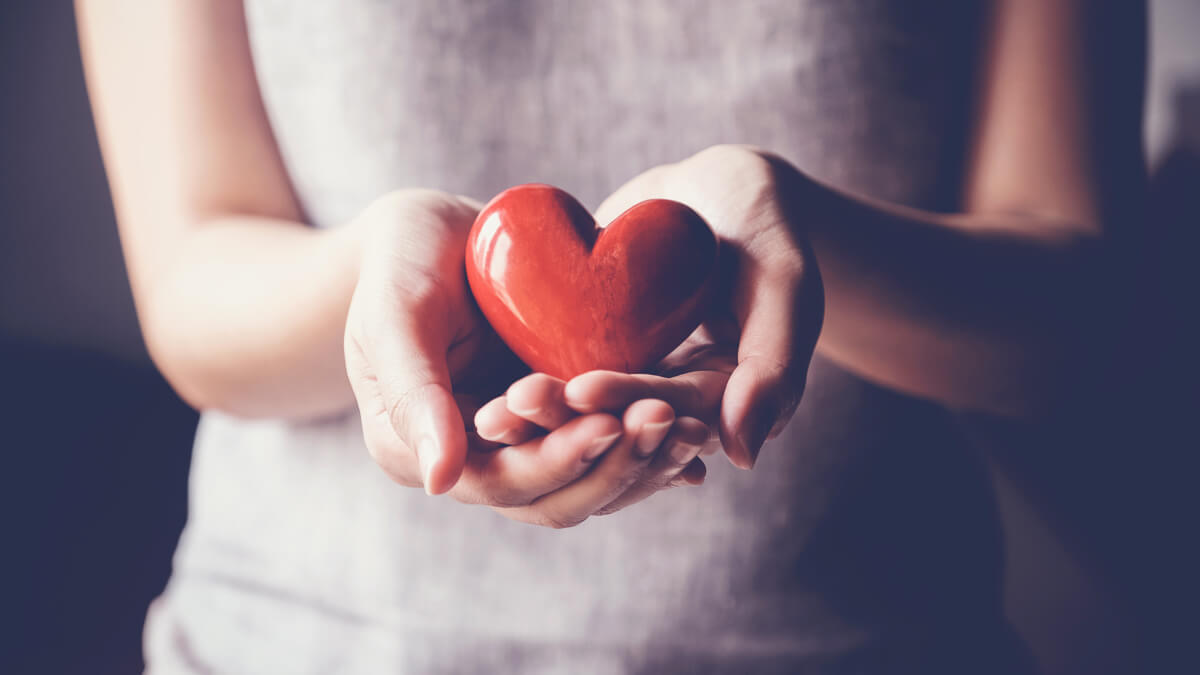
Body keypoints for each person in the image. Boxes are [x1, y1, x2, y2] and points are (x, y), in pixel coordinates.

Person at [78, 0, 1145, 672]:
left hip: (863, 642)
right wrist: (376, 283)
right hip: (299, 645)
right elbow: (188, 286)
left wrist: (803, 239)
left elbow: (1067, 325)